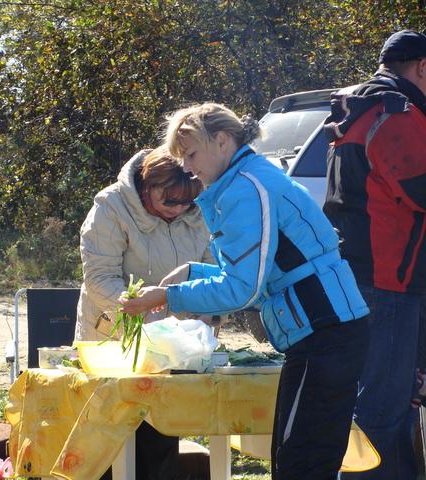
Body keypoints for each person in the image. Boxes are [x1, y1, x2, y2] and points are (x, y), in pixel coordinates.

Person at [119, 103, 370, 480]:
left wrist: (169, 297)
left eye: (191, 154)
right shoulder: (249, 177)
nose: (187, 167)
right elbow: (258, 274)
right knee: (298, 458)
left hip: (325, 332)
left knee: (302, 463)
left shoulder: (244, 189)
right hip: (325, 330)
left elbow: (241, 289)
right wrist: (191, 273)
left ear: (221, 141)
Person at [322, 29, 426, 479]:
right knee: (381, 409)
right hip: (389, 281)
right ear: (423, 67)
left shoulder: (359, 108)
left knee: (392, 403)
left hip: (366, 275)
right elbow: (419, 188)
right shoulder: (396, 115)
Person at [75, 145, 213, 479]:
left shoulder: (203, 211)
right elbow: (99, 278)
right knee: (107, 448)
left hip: (170, 354)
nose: (179, 209)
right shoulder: (110, 206)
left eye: (187, 202)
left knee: (159, 446)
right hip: (111, 345)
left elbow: (213, 270)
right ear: (146, 187)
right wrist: (139, 308)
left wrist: (206, 315)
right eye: (170, 201)